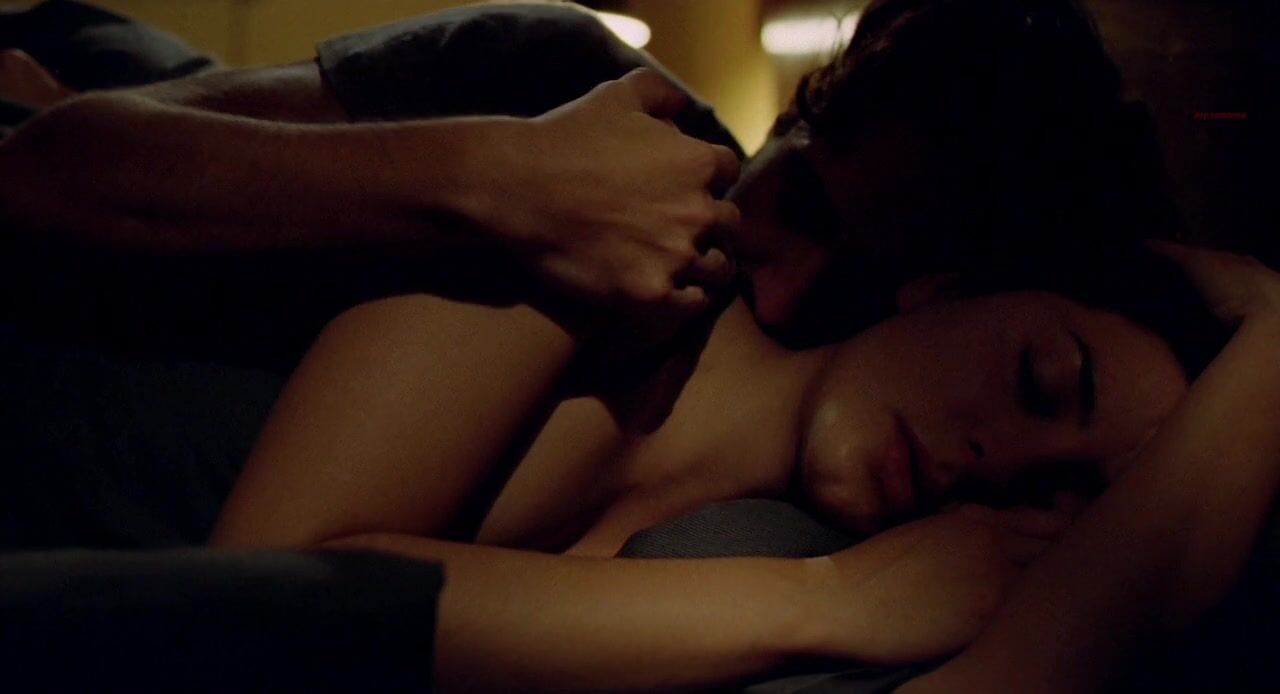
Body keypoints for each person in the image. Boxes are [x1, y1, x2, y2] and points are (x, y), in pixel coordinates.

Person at [210, 239, 1245, 691]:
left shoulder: (724, 552)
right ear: (945, 286)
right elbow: (237, 615)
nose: (999, 463)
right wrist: (828, 599)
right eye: (1037, 381)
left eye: (1058, 493)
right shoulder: (622, 269)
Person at [0, 0, 1174, 365]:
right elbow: (47, 169)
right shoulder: (570, 74)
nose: (776, 297)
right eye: (807, 206)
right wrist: (498, 176)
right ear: (801, 114)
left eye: (854, 294)